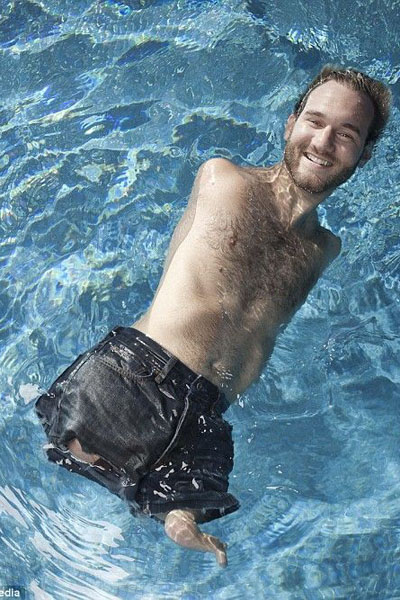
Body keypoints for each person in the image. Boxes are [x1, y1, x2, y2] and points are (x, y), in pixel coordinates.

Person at [35, 65, 391, 567]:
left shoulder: (324, 250)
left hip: (207, 417)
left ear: (364, 154)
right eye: (314, 121)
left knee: (185, 530)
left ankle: (178, 516)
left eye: (347, 134)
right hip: (139, 374)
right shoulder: (223, 179)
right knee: (63, 480)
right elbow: (173, 267)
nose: (323, 141)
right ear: (290, 124)